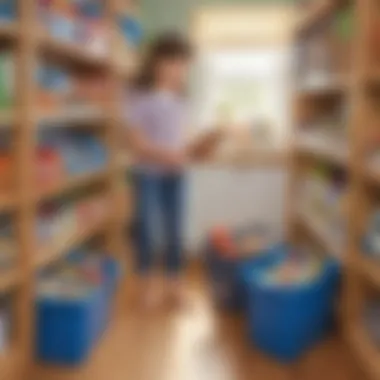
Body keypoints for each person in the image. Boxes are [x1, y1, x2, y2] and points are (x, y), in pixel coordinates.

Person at [125, 32, 224, 309]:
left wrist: (203, 146)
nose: (182, 69)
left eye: (185, 64)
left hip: (177, 174)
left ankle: (174, 287)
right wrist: (166, 154)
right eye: (177, 63)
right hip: (148, 174)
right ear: (158, 62)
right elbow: (136, 142)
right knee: (146, 230)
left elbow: (182, 140)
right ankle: (145, 287)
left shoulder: (183, 97)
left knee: (176, 231)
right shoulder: (138, 94)